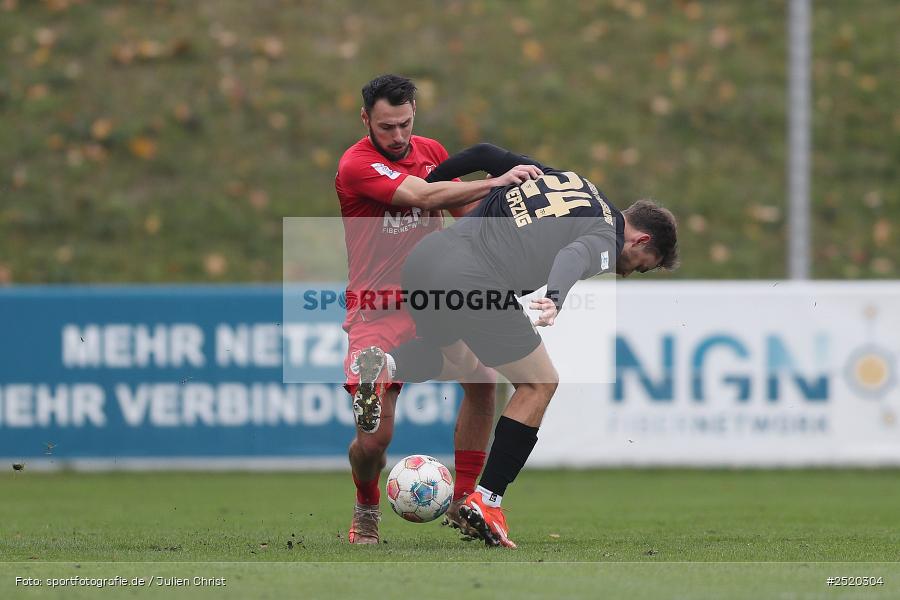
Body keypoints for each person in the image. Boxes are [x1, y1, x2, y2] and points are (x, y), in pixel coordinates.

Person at [351, 143, 679, 548]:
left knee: (458, 359)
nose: (626, 272)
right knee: (541, 383)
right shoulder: (605, 231)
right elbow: (577, 254)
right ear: (640, 239)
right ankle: (487, 501)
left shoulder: (568, 180)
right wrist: (555, 297)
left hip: (427, 259)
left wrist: (429, 186)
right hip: (475, 277)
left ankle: (387, 365)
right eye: (638, 266)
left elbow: (486, 153)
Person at [334, 75, 541, 544]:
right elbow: (423, 195)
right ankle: (366, 508)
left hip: (434, 298)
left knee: (484, 381)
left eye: (405, 124)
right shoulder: (356, 165)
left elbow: (461, 219)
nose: (398, 137)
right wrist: (496, 182)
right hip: (376, 309)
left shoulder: (430, 150)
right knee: (373, 443)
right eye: (386, 127)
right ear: (365, 119)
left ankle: (466, 500)